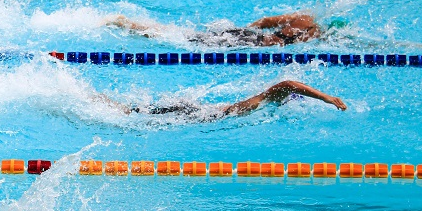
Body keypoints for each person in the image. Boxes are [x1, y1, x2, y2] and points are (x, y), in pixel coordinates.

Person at [97, 80, 347, 121]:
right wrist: (326, 97)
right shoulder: (262, 100)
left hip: (196, 111)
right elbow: (287, 84)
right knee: (129, 114)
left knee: (134, 112)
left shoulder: (262, 105)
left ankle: (103, 102)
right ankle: (101, 102)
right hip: (195, 113)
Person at [105, 12, 349, 47]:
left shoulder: (303, 17)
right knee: (188, 41)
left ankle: (133, 24)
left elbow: (264, 21)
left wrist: (243, 30)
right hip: (249, 43)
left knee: (188, 36)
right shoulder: (312, 32)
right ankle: (131, 25)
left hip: (247, 36)